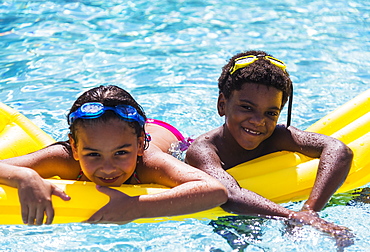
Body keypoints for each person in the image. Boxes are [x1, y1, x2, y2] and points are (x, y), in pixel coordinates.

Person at [185, 50, 354, 244]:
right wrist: (292, 216)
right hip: (226, 213)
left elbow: (339, 150)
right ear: (222, 104)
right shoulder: (203, 151)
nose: (258, 121)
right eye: (247, 107)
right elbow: (228, 194)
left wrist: (310, 210)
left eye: (271, 113)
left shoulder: (277, 136)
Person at [0, 85, 227, 225]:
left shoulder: (147, 162)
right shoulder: (63, 158)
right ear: (75, 148)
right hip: (122, 131)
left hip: (163, 134)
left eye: (121, 153)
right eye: (93, 155)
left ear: (139, 146)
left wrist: (138, 206)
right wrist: (25, 177)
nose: (108, 168)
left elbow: (214, 190)